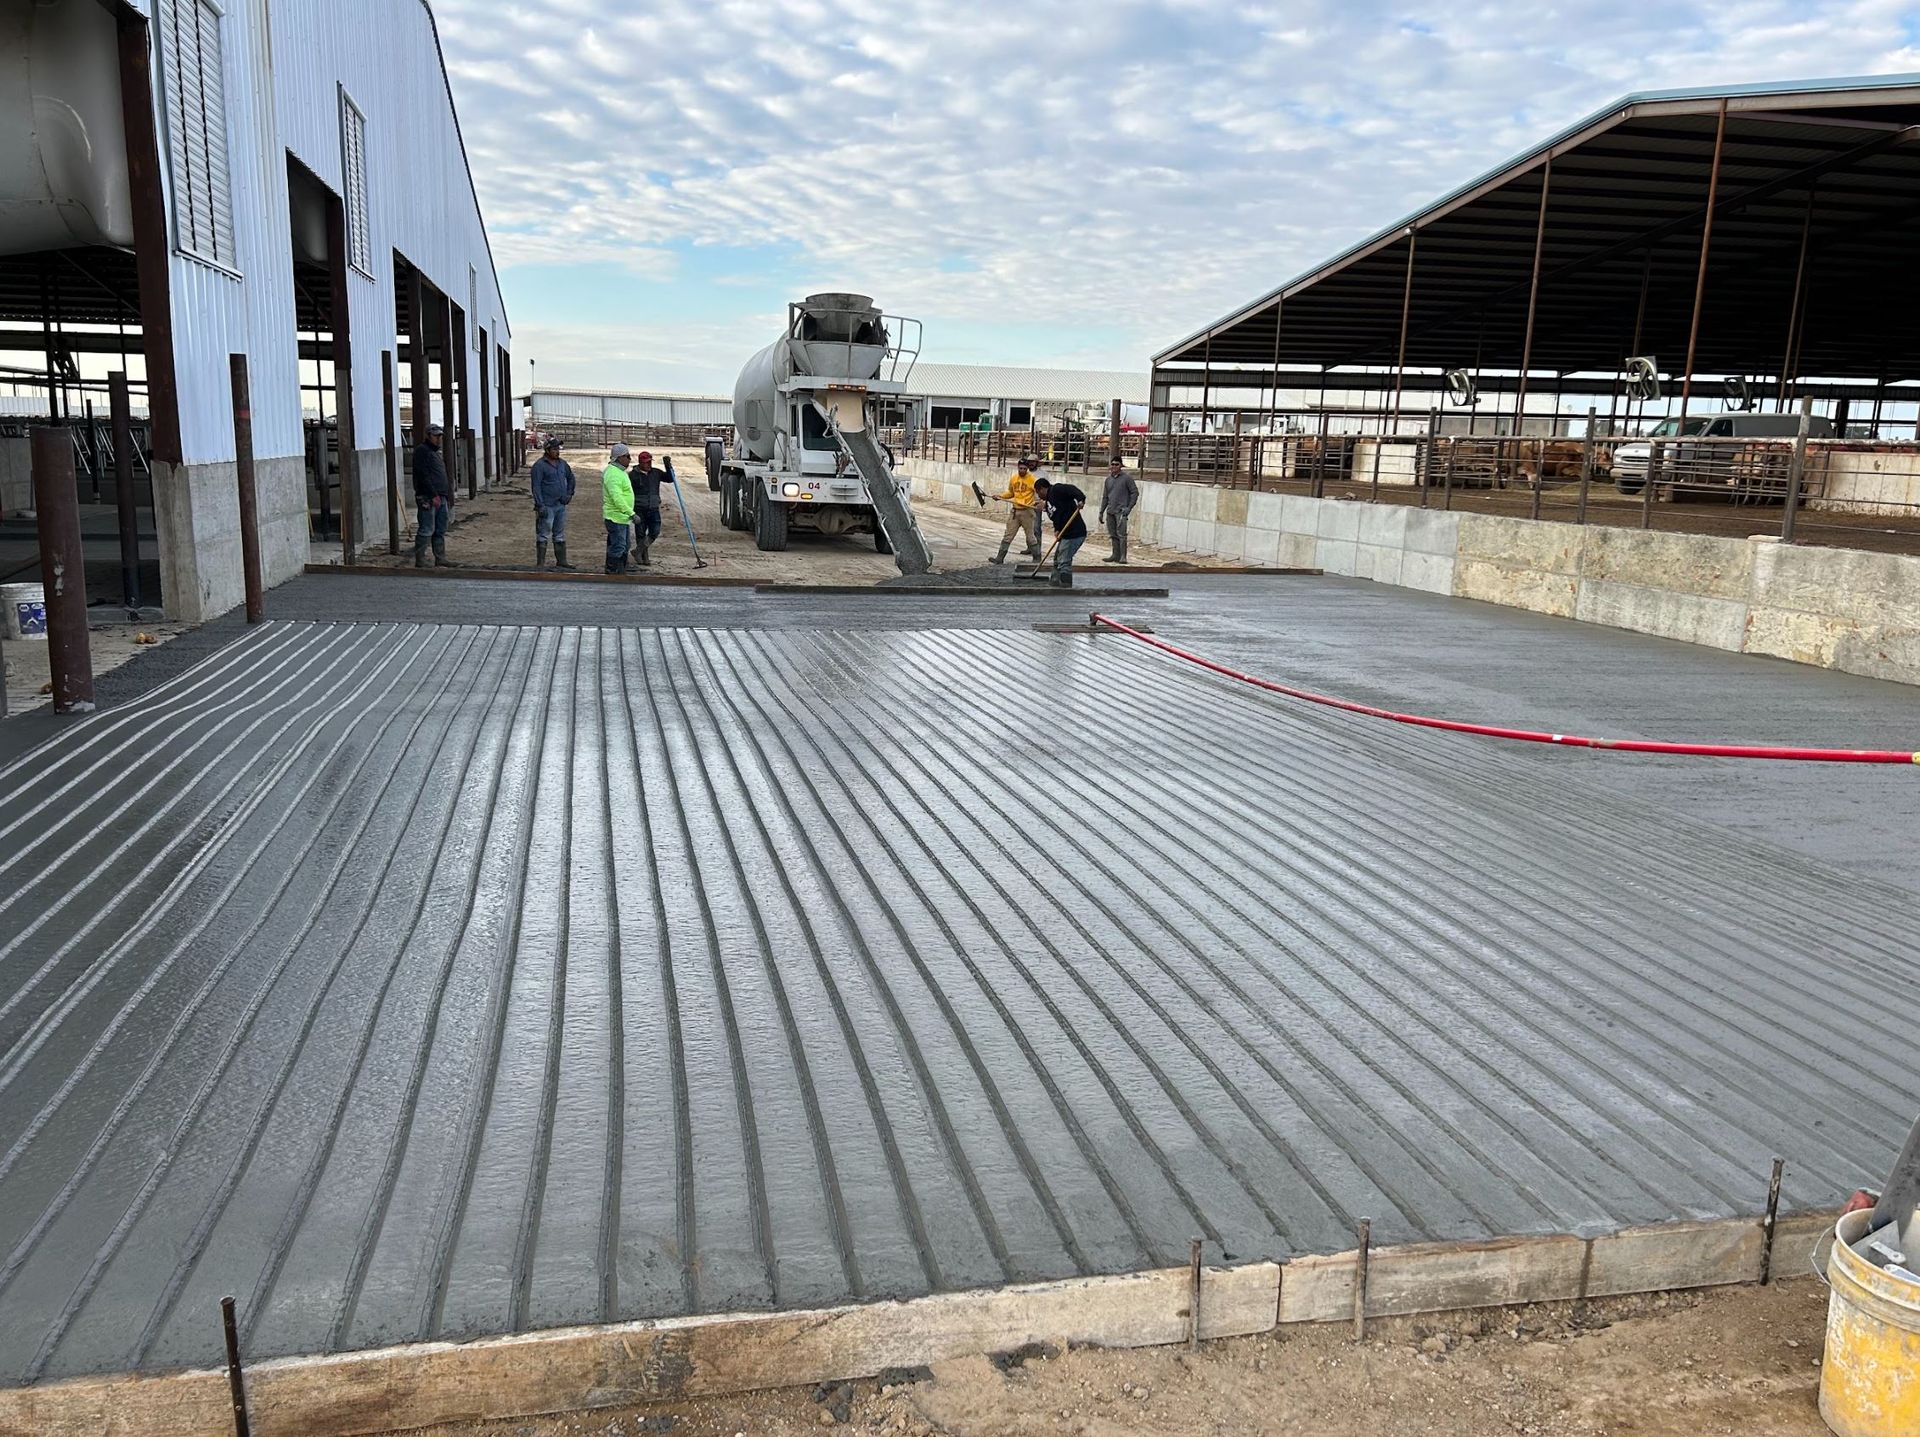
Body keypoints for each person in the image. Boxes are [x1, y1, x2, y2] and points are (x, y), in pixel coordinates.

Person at [530, 436, 576, 570]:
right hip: (547, 506)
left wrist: (569, 494)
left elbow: (571, 478)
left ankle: (562, 561)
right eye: (555, 449)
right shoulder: (539, 466)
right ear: (547, 450)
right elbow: (536, 487)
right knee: (543, 533)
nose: (557, 451)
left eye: (558, 449)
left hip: (560, 505)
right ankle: (541, 563)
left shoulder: (562, 464)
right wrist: (540, 505)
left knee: (559, 534)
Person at [412, 423, 454, 568]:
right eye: (436, 436)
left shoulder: (435, 452)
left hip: (440, 496)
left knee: (440, 529)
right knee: (426, 528)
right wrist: (432, 494)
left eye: (440, 436)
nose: (438, 439)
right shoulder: (422, 451)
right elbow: (423, 475)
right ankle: (420, 559)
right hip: (428, 497)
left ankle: (440, 557)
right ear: (428, 436)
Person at [1032, 475, 1087, 586]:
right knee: (1057, 559)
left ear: (1042, 489)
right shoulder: (1048, 503)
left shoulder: (1056, 490)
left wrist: (1081, 500)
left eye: (1038, 492)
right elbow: (1057, 517)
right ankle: (1054, 581)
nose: (1038, 495)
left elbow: (1073, 490)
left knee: (1064, 560)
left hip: (1075, 533)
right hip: (1065, 534)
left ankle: (1065, 585)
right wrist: (1057, 530)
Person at [989, 457, 1043, 564]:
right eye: (1020, 468)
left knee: (1030, 536)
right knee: (1008, 535)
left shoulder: (1032, 479)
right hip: (1015, 511)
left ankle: (1037, 558)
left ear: (1027, 468)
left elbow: (1038, 492)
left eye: (1024, 469)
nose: (1022, 470)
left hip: (1027, 511)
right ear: (1017, 467)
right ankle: (1000, 558)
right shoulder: (1014, 478)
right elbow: (1010, 493)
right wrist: (1000, 496)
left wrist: (1038, 502)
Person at [629, 449, 667, 566]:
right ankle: (644, 558)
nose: (649, 465)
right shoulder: (633, 476)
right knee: (640, 534)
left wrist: (668, 466)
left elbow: (670, 478)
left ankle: (638, 551)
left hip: (653, 508)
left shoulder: (656, 473)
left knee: (654, 531)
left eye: (650, 462)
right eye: (646, 462)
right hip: (639, 508)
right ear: (640, 463)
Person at [1099, 454, 1139, 564]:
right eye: (1112, 464)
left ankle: (1123, 556)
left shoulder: (1127, 479)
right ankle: (1115, 555)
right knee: (1113, 534)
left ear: (1121, 465)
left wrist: (1129, 507)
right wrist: (1101, 511)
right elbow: (1105, 497)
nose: (1114, 466)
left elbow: (1134, 493)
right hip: (1110, 511)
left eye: (1116, 464)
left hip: (1121, 511)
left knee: (1122, 535)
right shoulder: (1108, 480)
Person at [603, 443, 635, 573]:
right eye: (627, 456)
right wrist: (631, 513)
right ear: (619, 457)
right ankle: (611, 571)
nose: (629, 459)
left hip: (622, 517)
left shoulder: (619, 472)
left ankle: (620, 569)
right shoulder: (613, 474)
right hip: (616, 517)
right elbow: (617, 498)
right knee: (619, 546)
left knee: (624, 545)